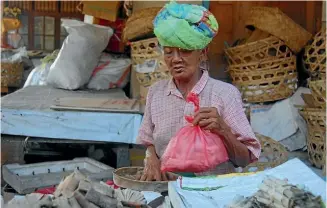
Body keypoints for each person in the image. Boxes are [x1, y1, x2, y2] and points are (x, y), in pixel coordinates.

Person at [137, 1, 261, 181]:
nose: (176, 59)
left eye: (185, 51)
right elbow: (148, 141)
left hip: (213, 193)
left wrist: (223, 130)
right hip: (166, 189)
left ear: (203, 53)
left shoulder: (225, 94)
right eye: (169, 52)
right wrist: (151, 158)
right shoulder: (156, 92)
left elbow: (244, 159)